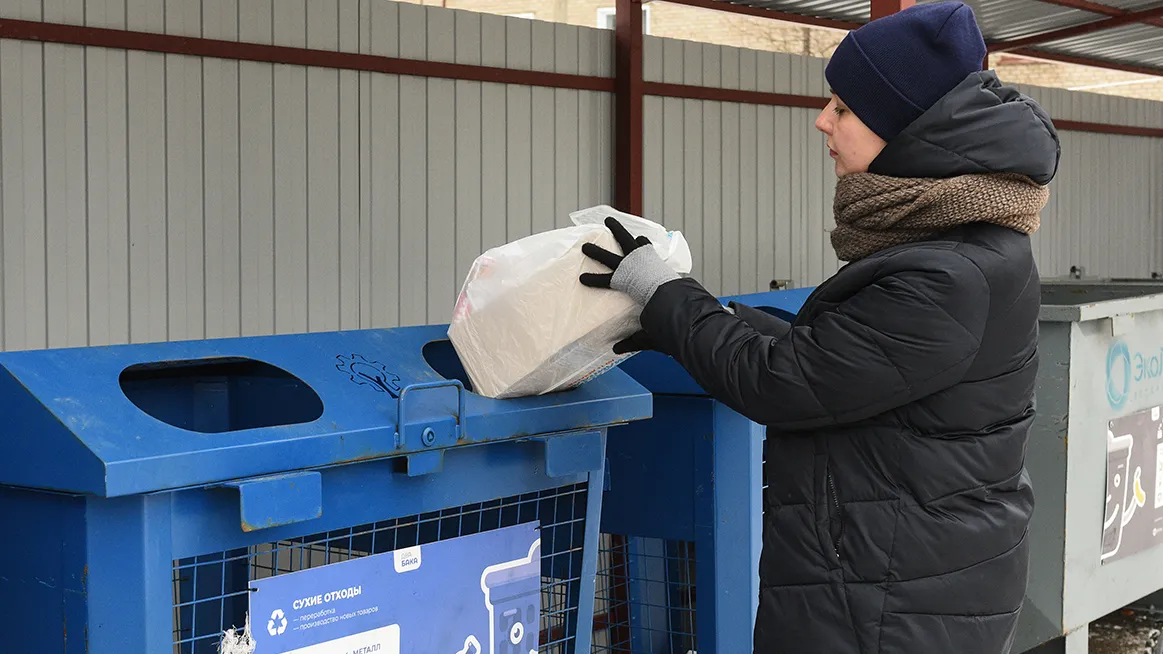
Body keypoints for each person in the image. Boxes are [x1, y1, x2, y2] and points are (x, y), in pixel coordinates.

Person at [578, 2, 1060, 653]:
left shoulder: (946, 274)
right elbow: (841, 359)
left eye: (842, 107)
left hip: (890, 605)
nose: (821, 121)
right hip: (897, 580)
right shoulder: (959, 245)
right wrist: (684, 321)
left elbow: (782, 383)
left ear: (903, 127)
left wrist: (665, 295)